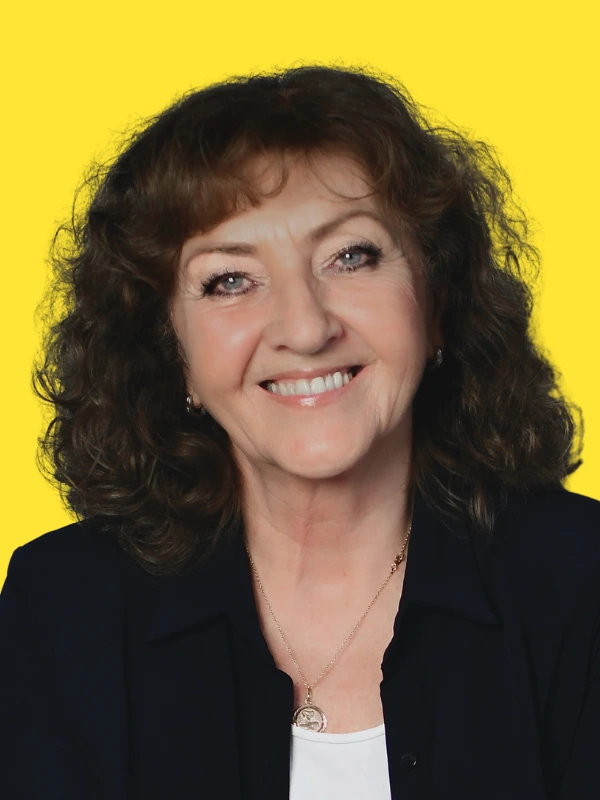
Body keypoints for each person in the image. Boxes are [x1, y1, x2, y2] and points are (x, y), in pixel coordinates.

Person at [1, 63, 599, 800]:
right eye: (230, 280)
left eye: (351, 256)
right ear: (172, 351)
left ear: (435, 302)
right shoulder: (62, 607)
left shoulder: (584, 583)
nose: (306, 328)